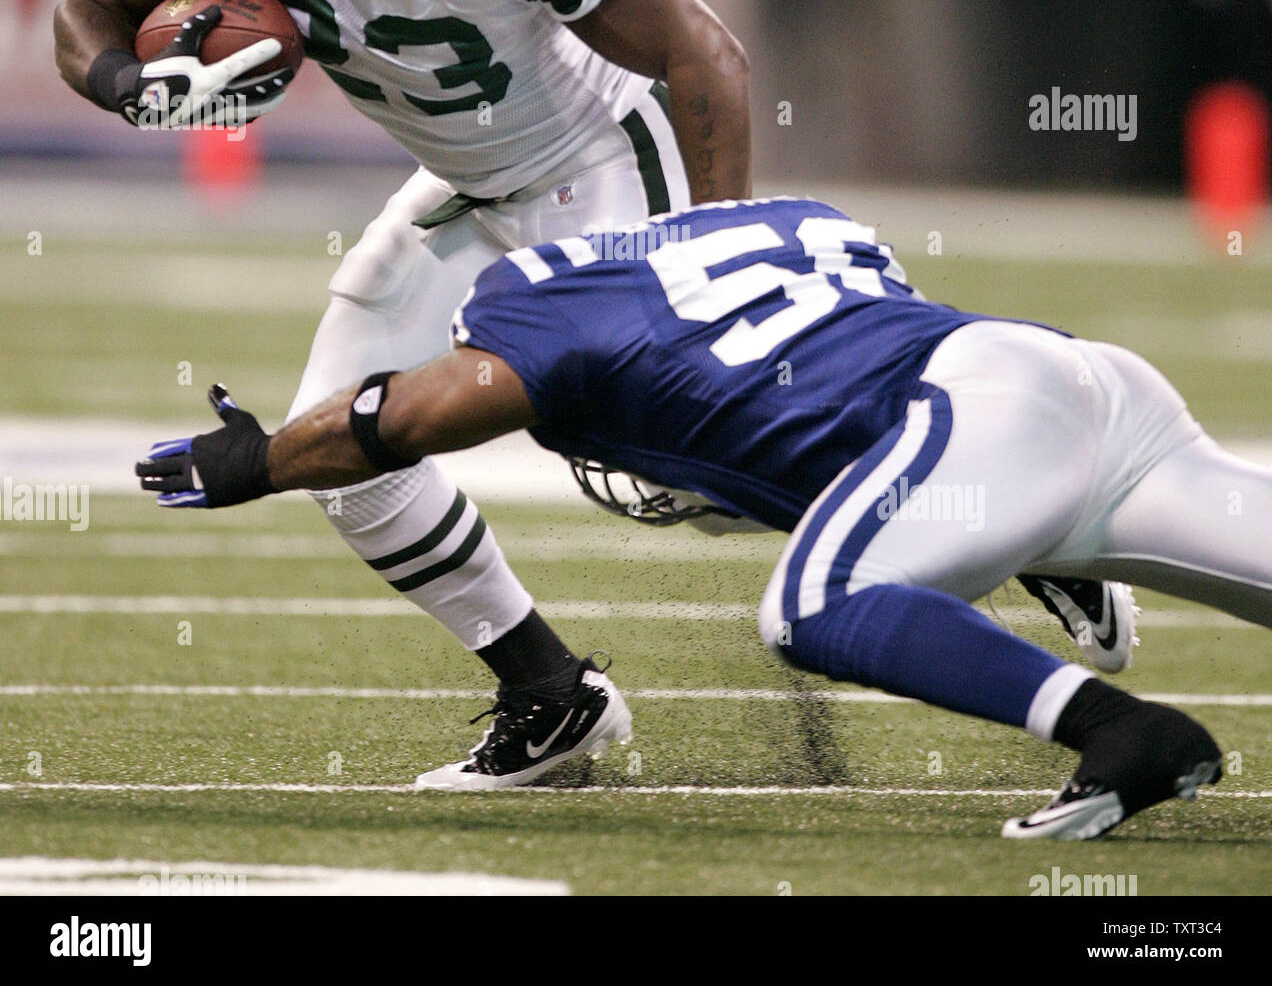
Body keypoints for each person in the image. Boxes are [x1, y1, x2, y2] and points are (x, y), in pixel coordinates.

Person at [53, 0, 751, 789]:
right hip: (463, 182)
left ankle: (998, 512)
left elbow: (701, 53)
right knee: (345, 451)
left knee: (686, 463)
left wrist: (729, 265)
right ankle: (550, 696)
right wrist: (133, 89)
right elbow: (87, 5)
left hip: (596, 159)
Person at [134, 197, 1253, 838]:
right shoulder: (786, 224)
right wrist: (1022, 526)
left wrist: (258, 460)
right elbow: (859, 365)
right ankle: (1047, 549)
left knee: (818, 604)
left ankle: (1120, 730)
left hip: (983, 419)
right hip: (1081, 379)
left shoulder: (543, 324)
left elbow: (404, 415)